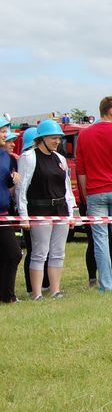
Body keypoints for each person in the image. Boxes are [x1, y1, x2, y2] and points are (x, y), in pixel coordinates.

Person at [75, 96, 112, 292]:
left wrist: (86, 192)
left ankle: (106, 285)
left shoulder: (84, 135)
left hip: (94, 191)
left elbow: (81, 169)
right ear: (111, 111)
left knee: (100, 240)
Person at [16, 120, 76, 300]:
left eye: (58, 138)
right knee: (39, 252)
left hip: (61, 210)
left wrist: (71, 213)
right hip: (39, 209)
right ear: (41, 139)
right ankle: (36, 293)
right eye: (53, 138)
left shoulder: (60, 159)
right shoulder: (29, 157)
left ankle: (55, 290)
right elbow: (22, 188)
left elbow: (66, 188)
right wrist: (24, 215)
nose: (57, 141)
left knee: (58, 252)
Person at [0, 121, 23, 303]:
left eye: (5, 131)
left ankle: (7, 296)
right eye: (2, 131)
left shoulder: (6, 157)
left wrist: (12, 179)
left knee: (13, 254)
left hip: (3, 213)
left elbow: (5, 183)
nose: (4, 134)